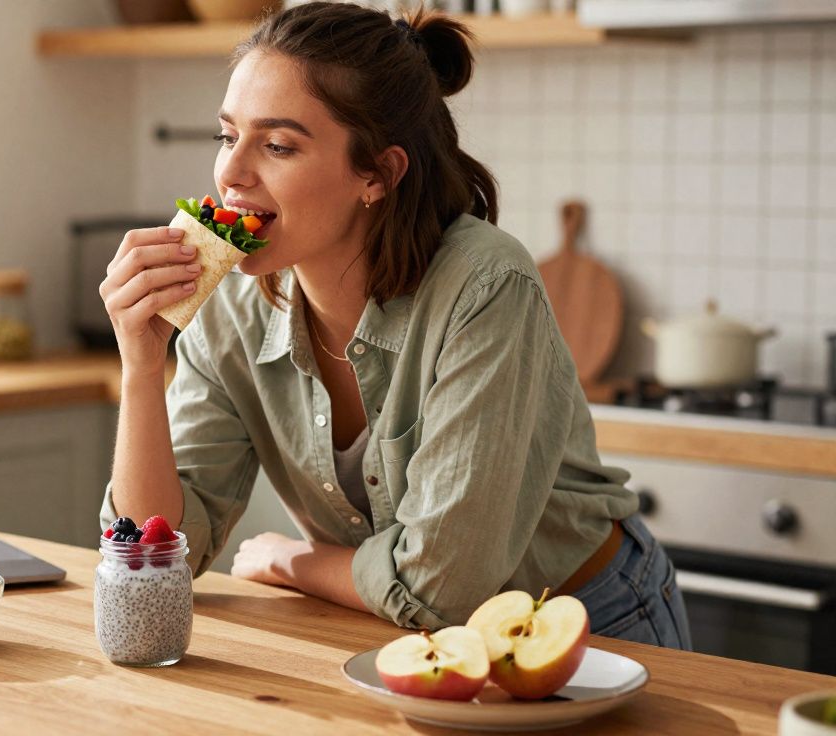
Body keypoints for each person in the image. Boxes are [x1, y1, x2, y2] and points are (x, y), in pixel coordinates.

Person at [97, 2, 691, 649]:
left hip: (583, 622)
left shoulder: (485, 286)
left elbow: (441, 590)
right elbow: (155, 557)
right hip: (398, 635)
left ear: (378, 174)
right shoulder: (229, 309)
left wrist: (292, 561)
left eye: (276, 145)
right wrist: (142, 362)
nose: (230, 174)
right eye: (226, 135)